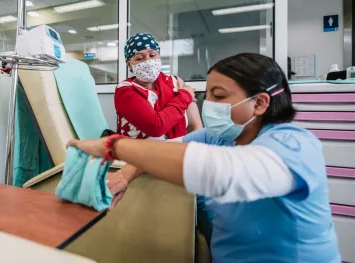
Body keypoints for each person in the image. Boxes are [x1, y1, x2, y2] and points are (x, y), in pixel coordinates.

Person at [68, 53, 340, 263]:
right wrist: (124, 176)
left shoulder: (294, 145)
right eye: (206, 95)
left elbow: (221, 171)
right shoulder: (220, 136)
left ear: (259, 103)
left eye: (218, 96)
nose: (207, 104)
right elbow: (168, 149)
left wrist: (115, 145)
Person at [108, 32, 203, 207]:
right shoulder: (125, 90)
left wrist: (194, 158)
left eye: (153, 55)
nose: (148, 61)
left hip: (179, 160)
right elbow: (156, 126)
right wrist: (184, 96)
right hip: (139, 163)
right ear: (129, 63)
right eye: (139, 58)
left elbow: (196, 126)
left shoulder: (176, 82)